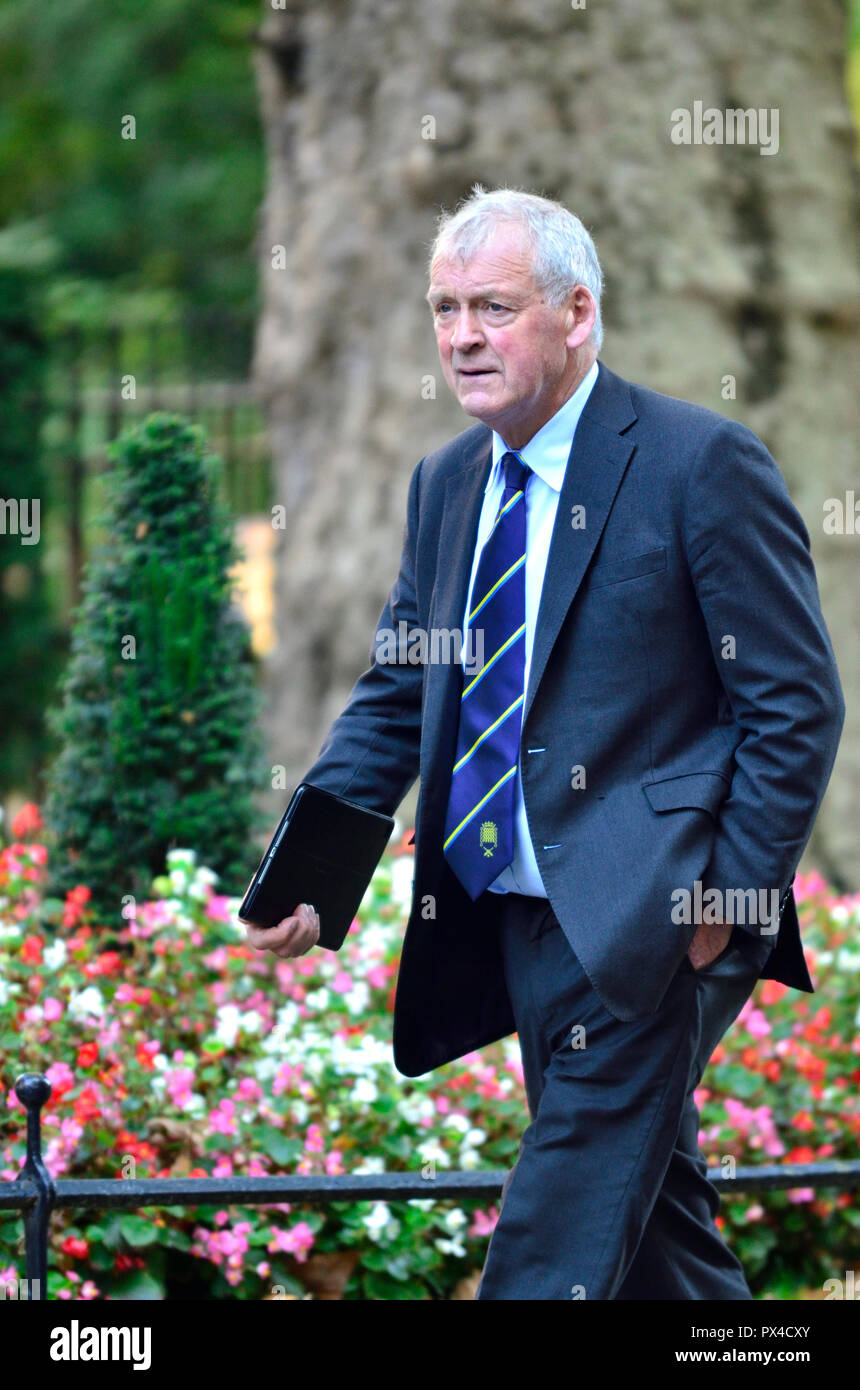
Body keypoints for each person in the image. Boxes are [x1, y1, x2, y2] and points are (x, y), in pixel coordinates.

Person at [243, 186, 845, 1299]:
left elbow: (794, 701)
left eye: (493, 308)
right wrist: (317, 873)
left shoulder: (698, 464)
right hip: (508, 908)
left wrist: (725, 901)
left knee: (554, 1235)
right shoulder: (445, 483)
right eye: (444, 307)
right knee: (655, 1228)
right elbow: (398, 690)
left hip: (652, 914)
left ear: (576, 313)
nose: (461, 336)